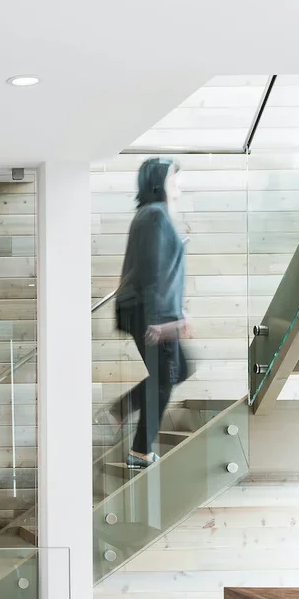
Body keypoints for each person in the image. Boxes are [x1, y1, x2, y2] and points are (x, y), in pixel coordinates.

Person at [109, 157, 192, 469]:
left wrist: (178, 312)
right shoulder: (155, 217)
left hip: (145, 309)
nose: (179, 180)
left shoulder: (151, 216)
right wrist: (163, 321)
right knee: (169, 375)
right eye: (175, 175)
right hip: (148, 312)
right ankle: (140, 449)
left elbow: (162, 273)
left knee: (172, 373)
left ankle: (125, 410)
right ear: (159, 181)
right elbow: (152, 272)